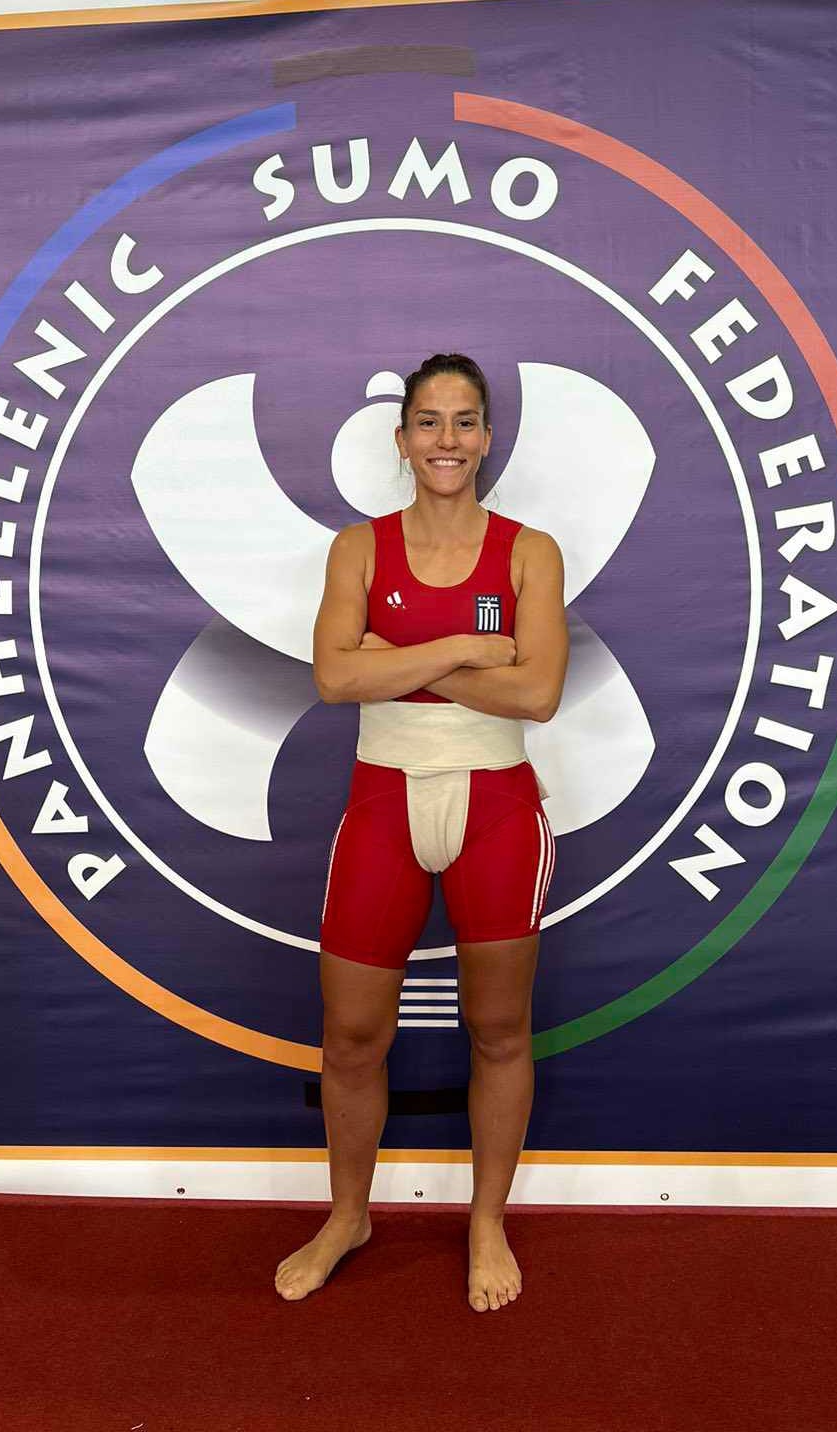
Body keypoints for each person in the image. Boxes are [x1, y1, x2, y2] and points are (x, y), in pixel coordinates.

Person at [275, 353, 569, 1312]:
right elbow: (332, 679)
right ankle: (347, 1216)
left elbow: (538, 693)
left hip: (496, 809)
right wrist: (463, 649)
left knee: (499, 1029)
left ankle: (485, 1221)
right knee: (352, 1035)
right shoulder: (359, 549)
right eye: (429, 422)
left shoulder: (529, 552)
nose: (448, 440)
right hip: (382, 803)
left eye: (465, 421)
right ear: (401, 439)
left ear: (487, 438)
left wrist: (392, 660)